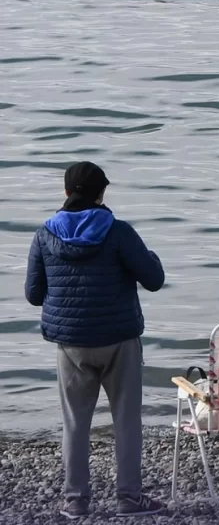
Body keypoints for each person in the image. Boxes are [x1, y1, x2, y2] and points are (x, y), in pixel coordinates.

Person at [24, 161, 167, 519]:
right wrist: (150, 258)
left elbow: (33, 294)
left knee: (75, 421)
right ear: (101, 193)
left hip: (71, 343)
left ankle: (76, 500)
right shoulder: (118, 232)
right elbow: (154, 279)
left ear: (66, 192)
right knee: (126, 419)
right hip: (119, 340)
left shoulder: (44, 234)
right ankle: (129, 498)